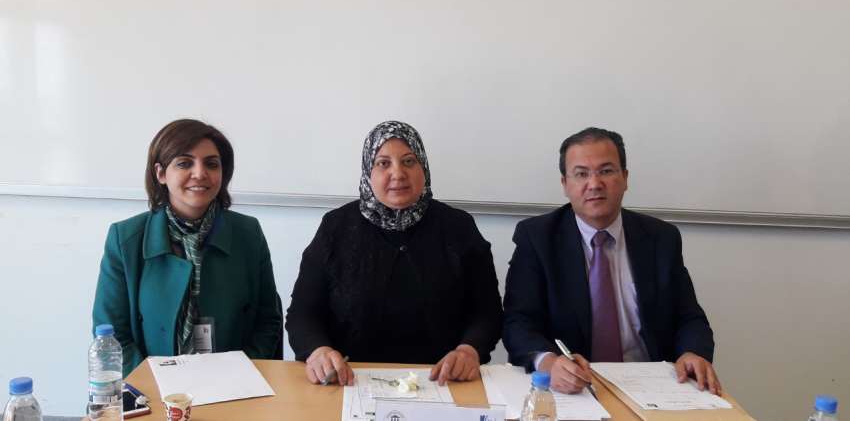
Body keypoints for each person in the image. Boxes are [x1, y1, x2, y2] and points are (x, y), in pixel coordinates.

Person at [502, 127, 721, 395]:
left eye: (606, 171)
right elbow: (518, 322)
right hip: (572, 387)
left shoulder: (661, 238)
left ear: (625, 178)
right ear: (565, 184)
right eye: (581, 174)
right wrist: (548, 362)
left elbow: (689, 317)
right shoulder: (537, 237)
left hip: (652, 384)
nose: (594, 184)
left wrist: (692, 352)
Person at [286, 120, 503, 386]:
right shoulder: (336, 227)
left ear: (423, 167)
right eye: (383, 163)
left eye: (409, 161)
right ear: (368, 171)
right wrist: (318, 351)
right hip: (350, 381)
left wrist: (469, 350)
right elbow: (302, 313)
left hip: (442, 380)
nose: (398, 173)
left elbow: (487, 312)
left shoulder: (458, 227)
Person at [92, 119, 282, 376]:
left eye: (212, 164)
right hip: (152, 388)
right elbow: (112, 335)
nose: (200, 173)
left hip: (235, 384)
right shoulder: (125, 239)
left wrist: (238, 376)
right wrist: (156, 385)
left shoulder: (248, 233)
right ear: (161, 173)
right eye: (184, 163)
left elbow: (267, 321)